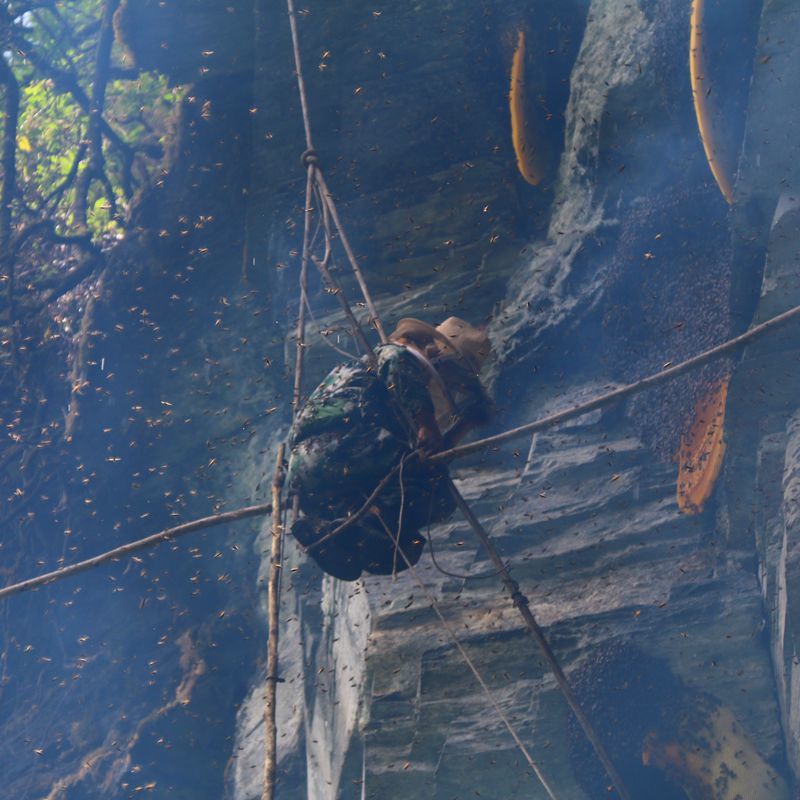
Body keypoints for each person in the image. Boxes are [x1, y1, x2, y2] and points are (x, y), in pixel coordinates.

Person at [287, 316, 493, 580]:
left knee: (416, 485)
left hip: (310, 475)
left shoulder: (362, 381)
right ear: (432, 349)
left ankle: (339, 536)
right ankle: (373, 528)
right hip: (343, 446)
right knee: (436, 492)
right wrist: (426, 423)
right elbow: (400, 371)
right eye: (452, 375)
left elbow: (427, 455)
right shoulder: (394, 355)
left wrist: (462, 427)